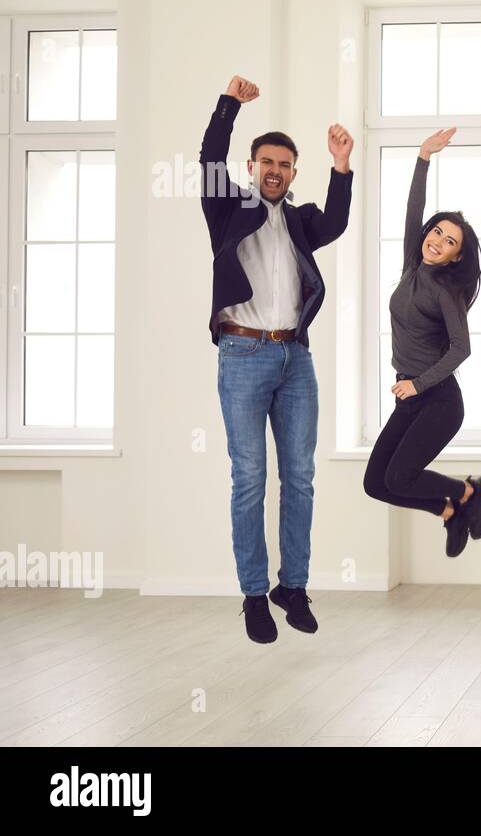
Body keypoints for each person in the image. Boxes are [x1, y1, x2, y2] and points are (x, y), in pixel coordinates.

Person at [199, 75, 353, 644]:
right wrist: (229, 105)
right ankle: (253, 595)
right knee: (249, 478)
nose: (275, 171)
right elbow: (209, 156)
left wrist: (342, 167)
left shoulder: (301, 220)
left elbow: (335, 223)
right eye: (267, 161)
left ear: (293, 172)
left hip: (295, 358)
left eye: (285, 164)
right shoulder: (227, 207)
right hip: (241, 353)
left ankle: (293, 587)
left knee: (301, 478)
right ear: (251, 165)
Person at [362, 128, 481, 558]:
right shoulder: (411, 266)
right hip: (411, 396)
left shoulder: (447, 291)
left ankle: (470, 492)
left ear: (458, 256)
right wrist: (423, 158)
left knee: (399, 477)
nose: (437, 242)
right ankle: (449, 513)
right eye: (436, 232)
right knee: (375, 483)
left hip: (437, 400)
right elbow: (411, 212)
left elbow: (462, 349)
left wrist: (418, 384)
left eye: (449, 242)